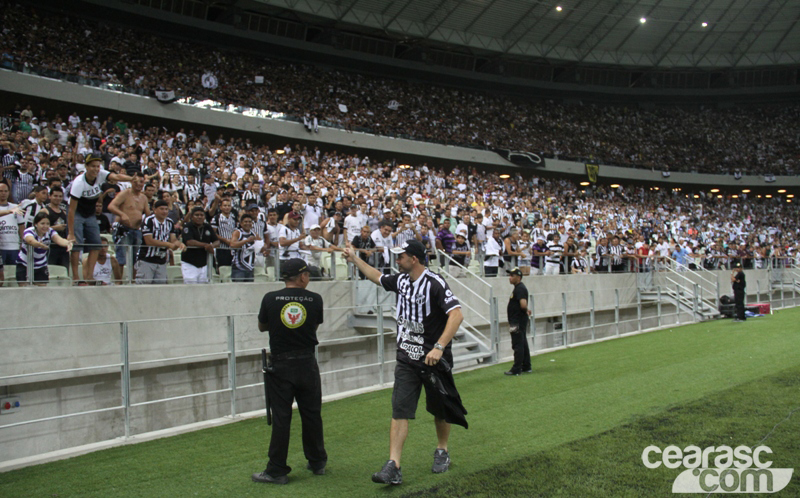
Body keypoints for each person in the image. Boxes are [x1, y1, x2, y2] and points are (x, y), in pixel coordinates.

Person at [343, 239, 466, 486]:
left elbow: (457, 314)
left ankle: (442, 450)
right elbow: (377, 276)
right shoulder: (401, 281)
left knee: (440, 409)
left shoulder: (435, 283)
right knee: (400, 410)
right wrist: (355, 259)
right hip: (406, 358)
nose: (396, 261)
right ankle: (393, 465)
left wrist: (439, 347)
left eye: (401, 257)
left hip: (433, 361)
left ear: (415, 259)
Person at [252, 259, 327, 485]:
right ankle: (317, 462)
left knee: (282, 418)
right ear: (302, 276)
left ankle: (277, 470)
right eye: (307, 274)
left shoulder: (270, 299)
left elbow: (262, 326)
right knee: (312, 414)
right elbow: (313, 326)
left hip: (281, 364)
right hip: (306, 362)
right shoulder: (315, 299)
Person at [68, 153, 132, 285]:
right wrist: (70, 232)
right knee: (76, 245)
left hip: (91, 213)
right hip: (78, 213)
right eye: (92, 166)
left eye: (97, 166)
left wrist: (132, 179)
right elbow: (71, 210)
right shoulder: (79, 183)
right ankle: (75, 277)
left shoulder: (101, 174)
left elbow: (117, 176)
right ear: (86, 167)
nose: (96, 169)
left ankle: (89, 276)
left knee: (96, 244)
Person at [108, 171, 150, 276]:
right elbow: (111, 206)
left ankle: (134, 281)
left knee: (136, 259)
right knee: (121, 257)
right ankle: (119, 282)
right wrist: (122, 214)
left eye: (141, 182)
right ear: (132, 182)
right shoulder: (125, 193)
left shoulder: (143, 197)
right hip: (123, 228)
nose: (139, 184)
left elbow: (148, 214)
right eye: (136, 182)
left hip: (137, 229)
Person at [17, 211, 73, 286]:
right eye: (42, 223)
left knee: (42, 288)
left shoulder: (50, 231)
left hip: (41, 264)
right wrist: (39, 244)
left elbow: (59, 239)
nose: (45, 226)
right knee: (23, 288)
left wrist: (67, 243)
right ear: (36, 224)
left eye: (47, 224)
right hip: (24, 263)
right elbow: (30, 240)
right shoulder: (29, 231)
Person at [136, 200, 183, 284]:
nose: (164, 211)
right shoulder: (148, 221)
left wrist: (179, 244)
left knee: (160, 290)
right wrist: (168, 245)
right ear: (155, 210)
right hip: (147, 260)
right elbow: (149, 241)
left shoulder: (170, 222)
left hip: (162, 260)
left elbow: (173, 239)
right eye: (161, 209)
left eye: (166, 209)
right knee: (143, 289)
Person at [505, 267, 532, 376]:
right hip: (519, 320)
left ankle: (517, 368)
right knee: (522, 342)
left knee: (517, 344)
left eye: (512, 276)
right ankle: (526, 365)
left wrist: (526, 310)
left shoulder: (520, 289)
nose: (510, 278)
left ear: (519, 277)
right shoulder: (518, 288)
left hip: (517, 321)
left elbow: (523, 304)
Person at [181, 206, 219, 284]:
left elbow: (217, 241)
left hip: (204, 263)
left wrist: (211, 246)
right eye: (197, 215)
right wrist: (206, 245)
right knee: (191, 288)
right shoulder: (187, 226)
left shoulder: (207, 227)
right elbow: (189, 242)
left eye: (202, 215)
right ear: (191, 217)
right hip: (190, 263)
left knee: (204, 289)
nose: (199, 217)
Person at [230, 213, 257, 282]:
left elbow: (263, 245)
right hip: (238, 268)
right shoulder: (237, 232)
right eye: (245, 222)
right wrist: (246, 241)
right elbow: (232, 244)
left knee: (249, 290)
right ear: (241, 223)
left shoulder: (254, 234)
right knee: (238, 289)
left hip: (250, 268)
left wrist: (262, 247)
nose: (248, 223)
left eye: (249, 222)